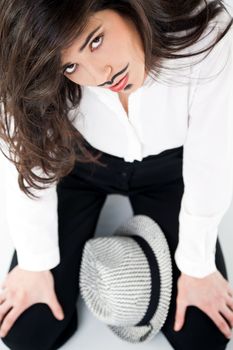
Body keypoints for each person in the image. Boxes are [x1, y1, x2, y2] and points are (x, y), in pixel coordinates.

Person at [0, 0, 233, 349]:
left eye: (95, 40)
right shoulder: (37, 62)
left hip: (170, 170)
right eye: (71, 66)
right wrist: (35, 261)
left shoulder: (202, 30)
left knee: (203, 334)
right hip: (79, 164)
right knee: (29, 331)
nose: (99, 75)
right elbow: (27, 150)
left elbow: (213, 153)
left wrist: (197, 266)